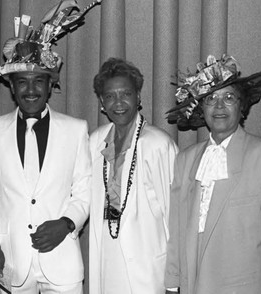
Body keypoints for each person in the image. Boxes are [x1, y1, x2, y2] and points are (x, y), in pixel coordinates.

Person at [0, 2, 100, 293]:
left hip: (63, 263)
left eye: (38, 81)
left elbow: (84, 188)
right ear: (12, 87)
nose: (31, 90)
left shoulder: (75, 129)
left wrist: (67, 223)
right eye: (23, 82)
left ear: (50, 84)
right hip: (11, 262)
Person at [164, 54, 261, 294]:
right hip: (193, 280)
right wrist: (173, 279)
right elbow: (176, 229)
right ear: (200, 109)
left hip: (244, 282)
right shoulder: (185, 160)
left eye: (229, 98)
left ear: (242, 106)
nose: (219, 106)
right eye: (210, 99)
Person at [88, 58, 179, 294]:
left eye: (126, 93)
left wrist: (174, 278)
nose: (118, 103)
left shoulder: (158, 144)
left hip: (149, 268)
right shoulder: (94, 142)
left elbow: (175, 216)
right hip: (107, 259)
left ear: (138, 97)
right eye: (110, 96)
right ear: (101, 101)